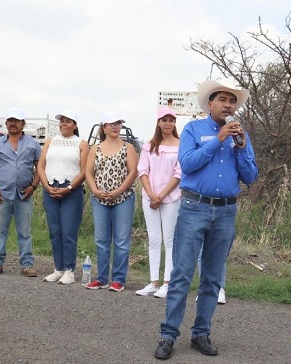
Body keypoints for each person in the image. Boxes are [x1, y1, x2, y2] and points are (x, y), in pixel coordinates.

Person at [154, 79, 258, 360]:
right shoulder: (193, 130)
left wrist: (242, 148)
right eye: (223, 100)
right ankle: (168, 335)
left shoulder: (240, 136)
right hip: (194, 207)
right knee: (182, 275)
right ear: (210, 104)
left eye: (232, 101)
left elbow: (250, 177)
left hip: (226, 211)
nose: (228, 105)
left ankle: (201, 333)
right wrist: (219, 140)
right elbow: (187, 164)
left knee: (212, 278)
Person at [0, 108, 41, 277]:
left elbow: (40, 168)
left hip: (24, 194)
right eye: (10, 120)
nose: (13, 123)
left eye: (17, 120)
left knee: (25, 231)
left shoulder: (33, 144)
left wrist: (34, 186)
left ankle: (27, 265)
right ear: (6, 123)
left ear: (23, 124)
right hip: (1, 193)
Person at [84, 112, 138, 291]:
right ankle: (101, 278)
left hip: (123, 198)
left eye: (118, 124)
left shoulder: (128, 147)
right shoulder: (95, 148)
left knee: (121, 240)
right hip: (99, 198)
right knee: (101, 239)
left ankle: (118, 279)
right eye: (111, 124)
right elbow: (89, 172)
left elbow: (132, 172)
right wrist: (95, 190)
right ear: (104, 127)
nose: (115, 127)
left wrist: (118, 191)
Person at [38, 110, 88, 284]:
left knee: (68, 231)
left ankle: (69, 269)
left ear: (74, 125)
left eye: (67, 121)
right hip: (50, 188)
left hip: (71, 192)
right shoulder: (50, 141)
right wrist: (45, 185)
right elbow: (41, 165)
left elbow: (84, 171)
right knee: (55, 231)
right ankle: (58, 268)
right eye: (61, 121)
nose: (63, 124)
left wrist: (69, 188)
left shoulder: (81, 143)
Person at [136, 107, 181, 298]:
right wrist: (151, 194)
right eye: (164, 120)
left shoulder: (180, 145)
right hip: (150, 197)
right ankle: (153, 282)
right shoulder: (148, 146)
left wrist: (161, 195)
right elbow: (142, 171)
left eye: (171, 120)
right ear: (158, 122)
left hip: (170, 197)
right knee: (154, 239)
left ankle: (167, 282)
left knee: (169, 239)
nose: (168, 123)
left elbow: (179, 173)